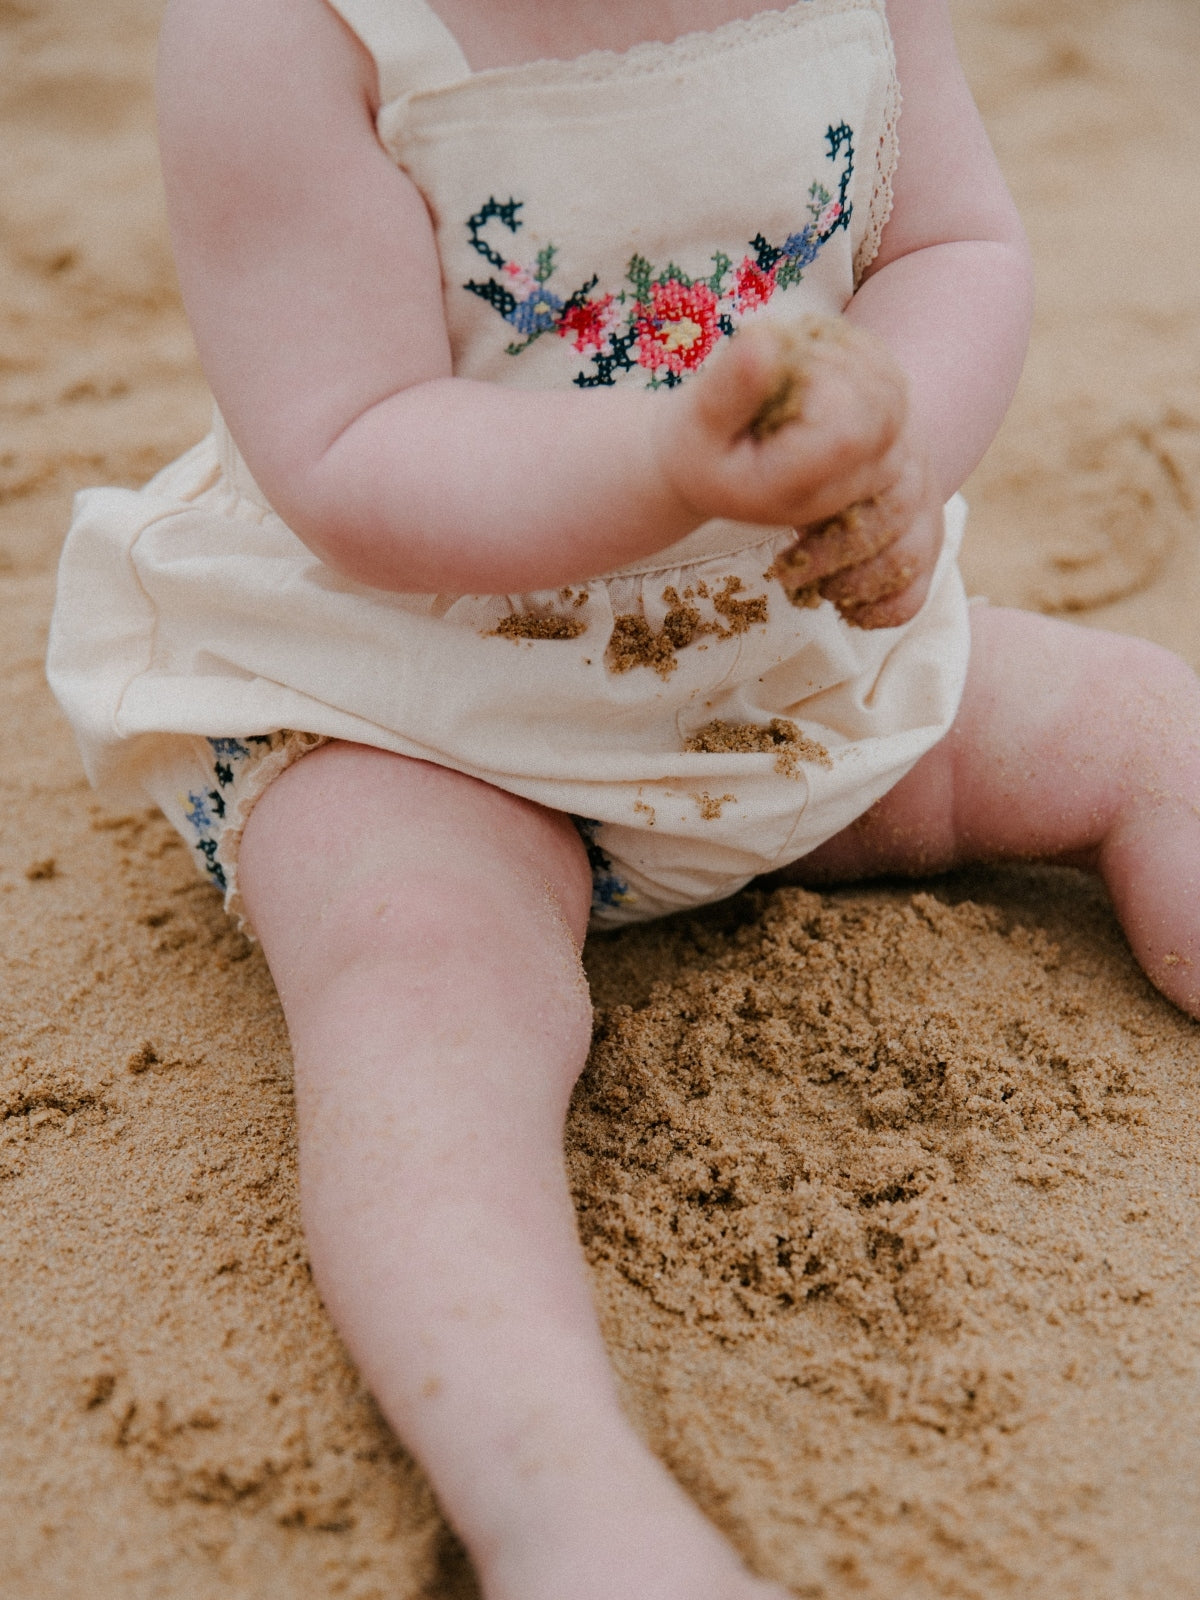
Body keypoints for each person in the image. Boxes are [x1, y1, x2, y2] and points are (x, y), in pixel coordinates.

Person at [46, 0, 1200, 1594]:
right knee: (421, 996)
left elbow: (956, 246)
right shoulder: (292, 33)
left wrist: (904, 455)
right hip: (420, 703)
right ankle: (558, 1494)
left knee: (1151, 725)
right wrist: (663, 467)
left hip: (775, 663)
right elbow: (349, 451)